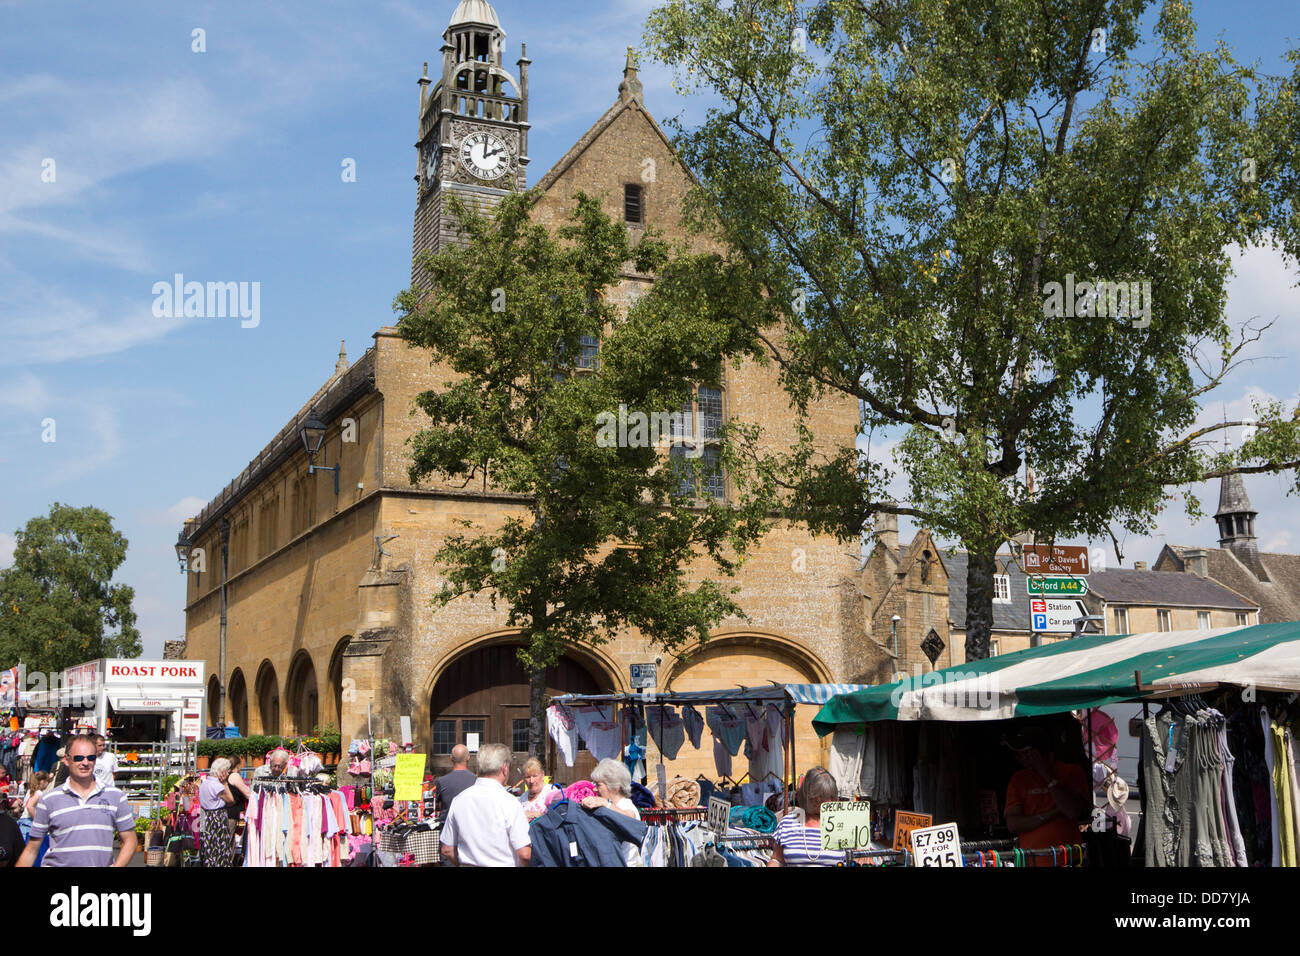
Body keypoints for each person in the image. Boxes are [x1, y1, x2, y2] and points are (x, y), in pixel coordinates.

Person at [16, 734, 137, 867]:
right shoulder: (49, 799)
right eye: (78, 758)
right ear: (67, 760)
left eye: (90, 758)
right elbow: (32, 848)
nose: (85, 763)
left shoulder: (115, 796)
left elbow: (130, 840)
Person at [1003, 727, 1090, 859]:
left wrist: (1046, 774)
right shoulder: (1018, 779)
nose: (1018, 758)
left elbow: (1072, 811)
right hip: (1032, 859)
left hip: (1067, 857)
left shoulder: (1071, 772)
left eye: (1024, 753)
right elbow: (1013, 824)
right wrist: (1053, 812)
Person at [440, 743, 531, 867]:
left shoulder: (459, 800)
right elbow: (525, 854)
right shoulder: (510, 802)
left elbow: (447, 849)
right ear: (504, 768)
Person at [768, 767, 844, 867]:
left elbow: (862, 856)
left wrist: (862, 853)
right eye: (822, 797)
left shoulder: (844, 823)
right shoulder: (787, 823)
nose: (828, 801)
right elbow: (777, 859)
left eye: (831, 796)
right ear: (809, 796)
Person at [581, 758, 643, 867]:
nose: (594, 789)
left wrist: (606, 803)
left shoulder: (625, 805)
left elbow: (630, 819)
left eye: (598, 785)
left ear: (615, 786)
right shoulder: (612, 806)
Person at [199, 758, 237, 867]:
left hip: (205, 817)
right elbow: (231, 800)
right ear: (222, 772)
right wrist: (225, 783)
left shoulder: (204, 783)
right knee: (219, 848)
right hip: (216, 818)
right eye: (228, 771)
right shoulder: (218, 786)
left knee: (208, 847)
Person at [435, 744, 476, 817]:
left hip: (447, 823)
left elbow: (439, 806)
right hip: (470, 823)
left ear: (451, 758)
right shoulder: (476, 781)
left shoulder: (441, 781)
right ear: (468, 758)